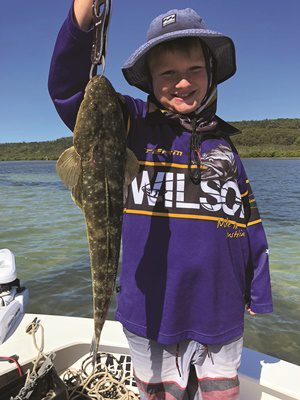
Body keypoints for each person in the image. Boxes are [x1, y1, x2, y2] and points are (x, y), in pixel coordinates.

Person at [48, 2, 273, 399]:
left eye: (193, 71)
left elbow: (248, 220)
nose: (182, 83)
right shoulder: (131, 124)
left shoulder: (225, 146)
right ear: (149, 81)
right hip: (150, 313)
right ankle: (98, 331)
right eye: (167, 74)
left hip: (220, 313)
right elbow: (68, 88)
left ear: (211, 73)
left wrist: (258, 286)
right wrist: (83, 15)